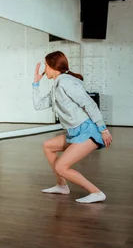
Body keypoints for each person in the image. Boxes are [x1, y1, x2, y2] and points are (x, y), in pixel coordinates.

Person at [32, 51, 113, 204]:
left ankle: (96, 192)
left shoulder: (66, 82)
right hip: (74, 132)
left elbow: (89, 104)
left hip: (88, 132)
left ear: (52, 66)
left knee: (61, 166)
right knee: (48, 146)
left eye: (46, 65)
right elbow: (38, 105)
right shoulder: (57, 85)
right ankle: (61, 186)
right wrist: (36, 83)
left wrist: (104, 130)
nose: (44, 69)